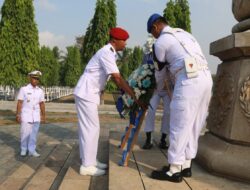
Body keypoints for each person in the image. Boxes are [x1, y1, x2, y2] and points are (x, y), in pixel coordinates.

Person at [147, 13, 213, 182]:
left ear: (155, 27)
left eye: (151, 32)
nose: (153, 36)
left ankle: (173, 170)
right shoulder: (185, 34)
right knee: (194, 125)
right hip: (206, 79)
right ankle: (186, 165)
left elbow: (160, 73)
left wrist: (157, 88)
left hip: (189, 81)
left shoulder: (160, 42)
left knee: (179, 124)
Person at [74, 27, 145, 176]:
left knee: (92, 129)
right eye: (123, 41)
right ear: (114, 41)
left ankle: (90, 161)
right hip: (87, 93)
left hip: (89, 93)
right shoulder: (107, 53)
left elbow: (112, 78)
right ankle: (87, 165)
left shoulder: (109, 53)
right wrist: (134, 96)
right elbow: (117, 78)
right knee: (90, 129)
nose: (125, 44)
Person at [16, 70, 45, 157]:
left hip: (36, 116)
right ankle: (24, 149)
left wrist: (43, 115)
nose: (36, 80)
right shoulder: (24, 89)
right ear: (30, 78)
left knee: (33, 135)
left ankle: (32, 150)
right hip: (26, 115)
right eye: (34, 78)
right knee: (24, 133)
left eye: (37, 79)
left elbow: (42, 103)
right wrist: (18, 114)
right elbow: (20, 102)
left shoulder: (40, 91)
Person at [142, 64, 170, 150]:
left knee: (168, 112)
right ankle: (149, 138)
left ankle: (163, 139)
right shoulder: (154, 56)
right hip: (156, 90)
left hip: (168, 90)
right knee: (151, 110)